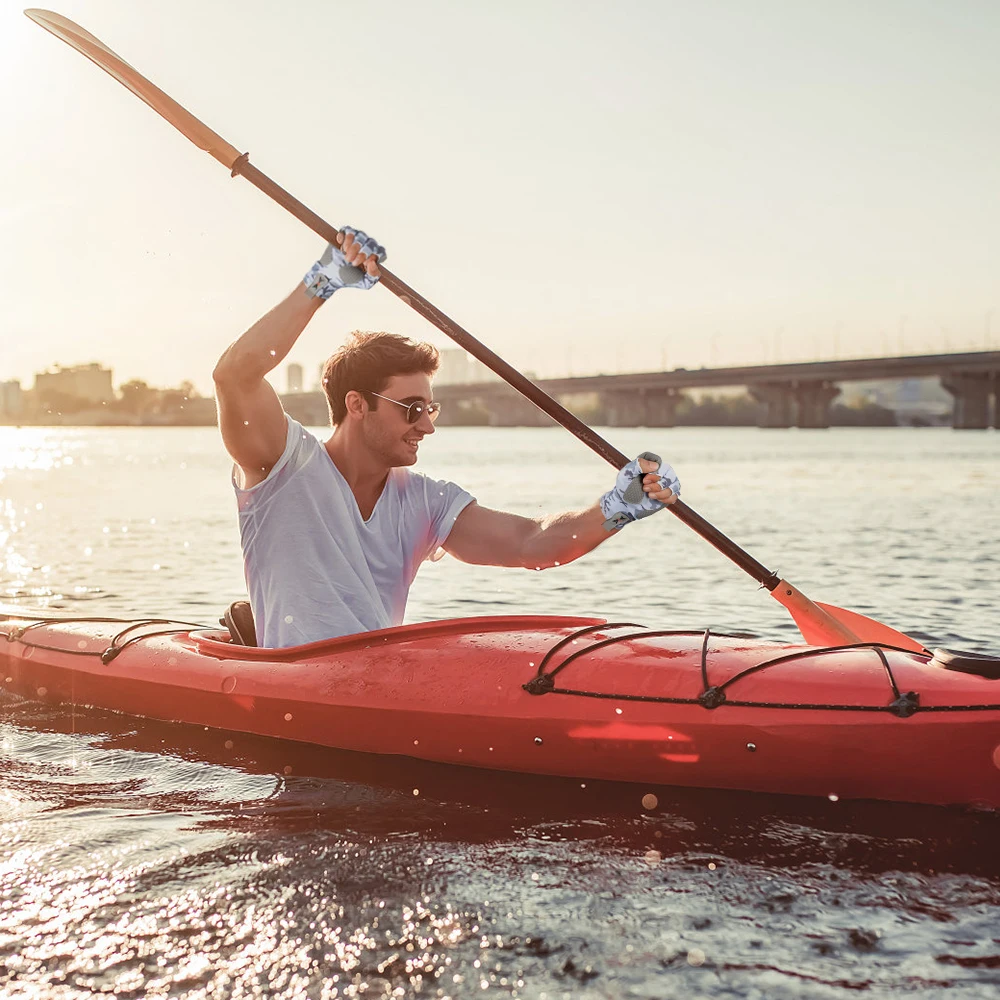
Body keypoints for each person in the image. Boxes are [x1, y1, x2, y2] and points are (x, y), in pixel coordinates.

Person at [213, 228, 680, 648]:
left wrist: (615, 508)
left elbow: (529, 542)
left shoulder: (425, 502)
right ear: (357, 405)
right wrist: (324, 281)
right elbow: (234, 376)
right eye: (413, 409)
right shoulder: (283, 463)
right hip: (287, 687)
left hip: (371, 688)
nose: (428, 426)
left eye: (430, 408)